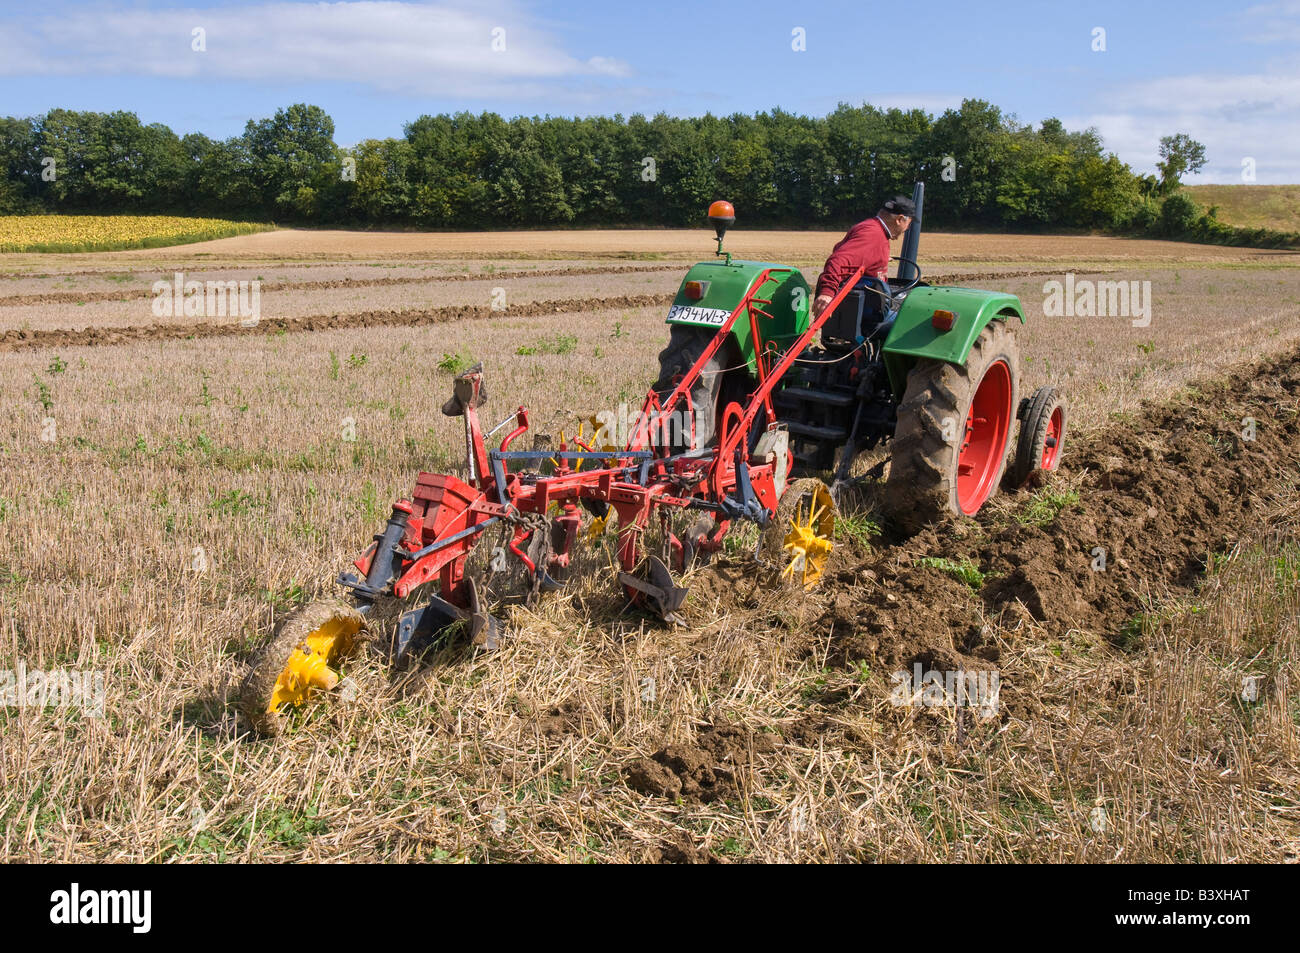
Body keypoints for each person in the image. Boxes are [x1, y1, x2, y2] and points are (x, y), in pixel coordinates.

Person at [812, 195, 915, 318]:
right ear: (900, 219)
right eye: (909, 223)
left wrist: (880, 259)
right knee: (908, 318)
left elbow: (855, 253)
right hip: (868, 315)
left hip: (866, 307)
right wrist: (827, 293)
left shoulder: (871, 227)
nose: (907, 228)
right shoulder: (873, 235)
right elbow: (838, 260)